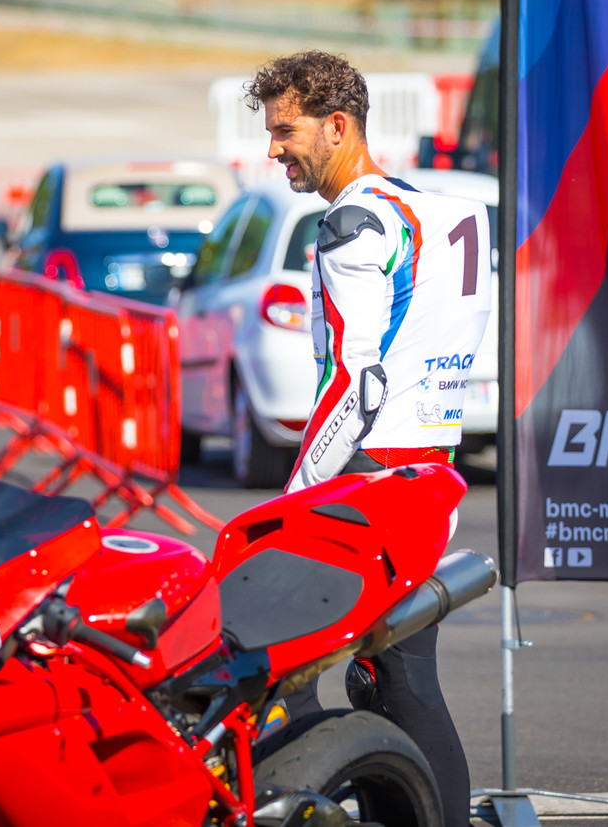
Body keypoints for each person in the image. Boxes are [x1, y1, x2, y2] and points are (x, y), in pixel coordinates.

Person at [248, 51, 492, 827]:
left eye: (285, 131)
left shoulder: (353, 219)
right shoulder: (444, 210)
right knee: (399, 676)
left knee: (275, 673)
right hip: (430, 472)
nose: (274, 149)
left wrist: (294, 499)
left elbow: (355, 386)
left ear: (337, 125)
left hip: (370, 481)